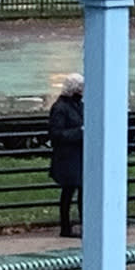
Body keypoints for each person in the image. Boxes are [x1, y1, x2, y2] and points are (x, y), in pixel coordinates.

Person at [46, 73, 85, 237]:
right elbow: (56, 134)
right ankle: (65, 227)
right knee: (68, 192)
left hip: (77, 156)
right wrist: (79, 132)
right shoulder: (60, 108)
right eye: (81, 88)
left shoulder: (78, 105)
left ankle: (83, 224)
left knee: (82, 192)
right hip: (67, 157)